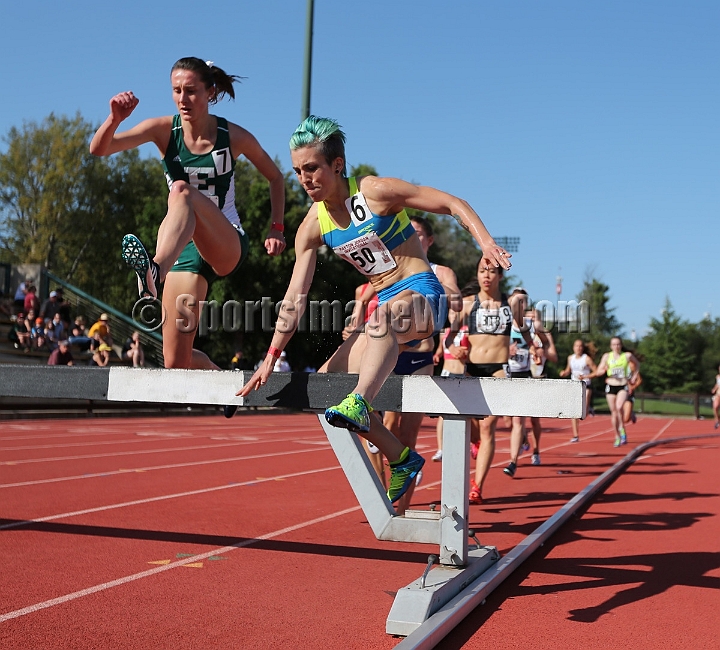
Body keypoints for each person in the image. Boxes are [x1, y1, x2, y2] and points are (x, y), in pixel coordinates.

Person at [238, 116, 511, 505]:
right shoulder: (311, 227)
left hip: (421, 296)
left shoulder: (375, 192)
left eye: (312, 168)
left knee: (380, 322)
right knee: (327, 382)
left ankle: (363, 404)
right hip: (387, 311)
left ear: (337, 164)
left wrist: (485, 242)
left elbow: (452, 203)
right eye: (298, 171)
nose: (304, 178)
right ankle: (400, 456)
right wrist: (271, 355)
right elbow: (295, 295)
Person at [89, 57, 285, 372]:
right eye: (176, 90)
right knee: (175, 362)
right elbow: (99, 149)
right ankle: (221, 379)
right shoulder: (163, 130)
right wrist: (114, 118)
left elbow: (275, 177)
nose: (183, 99)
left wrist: (276, 228)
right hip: (185, 249)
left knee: (181, 190)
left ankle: (155, 271)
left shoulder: (232, 136)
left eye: (191, 91)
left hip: (225, 241)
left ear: (210, 93)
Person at [445, 264, 534, 503]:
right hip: (472, 369)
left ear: (500, 276)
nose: (486, 275)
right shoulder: (467, 303)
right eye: (482, 271)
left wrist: (534, 347)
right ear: (477, 274)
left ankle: (478, 485)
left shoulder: (511, 303)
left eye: (492, 271)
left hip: (498, 370)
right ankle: (475, 442)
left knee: (488, 428)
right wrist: (454, 349)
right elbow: (450, 336)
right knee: (470, 426)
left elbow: (524, 329)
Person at [592, 337, 641, 447]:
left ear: (621, 345)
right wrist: (603, 370)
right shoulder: (606, 356)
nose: (616, 346)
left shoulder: (626, 356)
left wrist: (634, 376)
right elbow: (598, 371)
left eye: (618, 344)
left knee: (619, 407)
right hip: (611, 386)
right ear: (611, 346)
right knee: (614, 412)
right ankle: (617, 436)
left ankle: (622, 428)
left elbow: (637, 364)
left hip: (622, 385)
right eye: (614, 344)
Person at [432, 322, 470, 462]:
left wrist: (464, 352)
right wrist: (436, 355)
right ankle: (441, 449)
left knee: (465, 414)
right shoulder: (445, 331)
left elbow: (472, 351)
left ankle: (470, 443)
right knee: (443, 413)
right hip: (446, 373)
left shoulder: (467, 329)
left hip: (462, 374)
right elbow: (440, 350)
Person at [560, 339, 598, 442]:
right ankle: (575, 435)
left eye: (580, 346)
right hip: (574, 385)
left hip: (586, 385)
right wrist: (564, 373)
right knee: (574, 411)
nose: (578, 348)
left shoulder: (587, 359)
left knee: (583, 413)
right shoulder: (570, 358)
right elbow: (568, 370)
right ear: (573, 347)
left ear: (583, 348)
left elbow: (596, 371)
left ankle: (589, 408)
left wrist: (586, 376)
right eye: (576, 346)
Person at [712, 364, 720, 430]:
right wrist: (714, 389)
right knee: (715, 406)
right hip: (718, 394)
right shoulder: (718, 377)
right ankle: (717, 421)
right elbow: (717, 384)